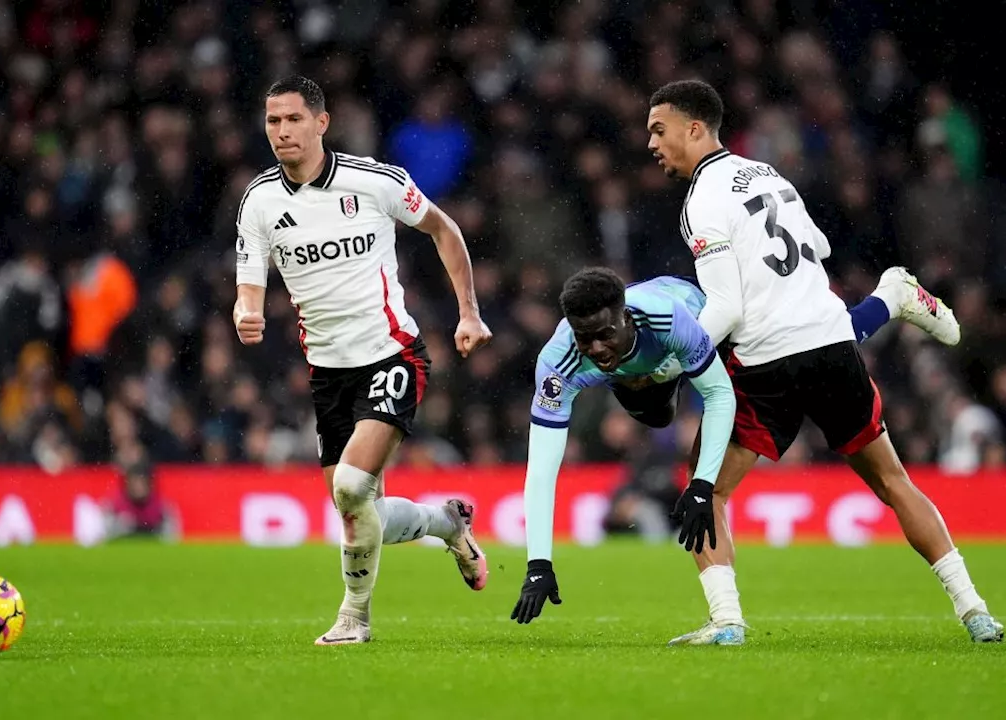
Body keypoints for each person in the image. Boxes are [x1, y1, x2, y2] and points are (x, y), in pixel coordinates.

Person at [645, 79, 1002, 645]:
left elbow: (728, 306)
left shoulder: (700, 202)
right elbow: (819, 248)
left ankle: (727, 622)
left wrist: (668, 363)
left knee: (704, 487)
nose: (652, 143)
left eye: (659, 130)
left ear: (695, 129)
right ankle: (976, 610)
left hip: (767, 364)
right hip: (833, 345)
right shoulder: (769, 173)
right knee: (892, 481)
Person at [234, 76, 493, 645]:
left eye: (293, 119)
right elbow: (248, 285)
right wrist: (244, 312)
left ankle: (355, 618)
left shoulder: (373, 181)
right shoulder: (259, 201)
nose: (282, 131)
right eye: (273, 121)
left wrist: (468, 312)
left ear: (321, 122)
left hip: (391, 354)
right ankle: (447, 523)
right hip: (327, 372)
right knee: (358, 509)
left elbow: (443, 229)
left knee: (351, 489)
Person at [510, 270, 736, 624]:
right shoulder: (557, 361)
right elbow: (541, 472)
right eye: (585, 338)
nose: (596, 348)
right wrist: (539, 565)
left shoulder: (669, 317)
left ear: (626, 316)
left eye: (605, 334)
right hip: (641, 369)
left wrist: (702, 485)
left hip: (706, 323)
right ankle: (643, 378)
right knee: (657, 416)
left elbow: (720, 394)